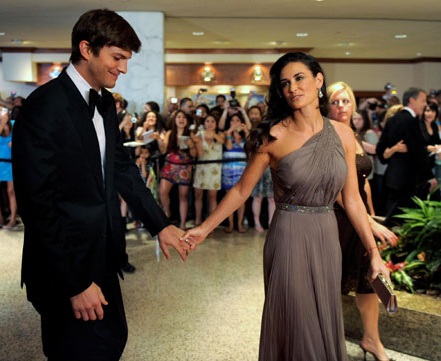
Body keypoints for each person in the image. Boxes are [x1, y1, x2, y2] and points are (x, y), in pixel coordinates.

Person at [182, 52, 390, 361]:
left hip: (326, 235)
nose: (292, 88)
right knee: (298, 322)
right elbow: (241, 190)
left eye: (299, 78)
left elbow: (351, 200)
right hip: (289, 236)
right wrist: (203, 229)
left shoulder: (344, 134)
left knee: (322, 318)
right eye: (285, 83)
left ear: (318, 81)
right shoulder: (273, 136)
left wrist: (374, 253)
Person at [12, 9, 189, 361]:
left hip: (104, 253)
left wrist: (160, 224)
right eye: (117, 57)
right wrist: (74, 283)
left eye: (126, 59)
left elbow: (122, 170)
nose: (123, 68)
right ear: (86, 49)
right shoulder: (43, 106)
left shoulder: (105, 102)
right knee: (75, 352)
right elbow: (38, 206)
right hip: (64, 262)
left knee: (110, 341)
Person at [327, 81, 398, 361]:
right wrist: (368, 221)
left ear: (353, 105)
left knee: (370, 282)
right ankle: (327, 346)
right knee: (332, 283)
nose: (341, 106)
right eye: (335, 101)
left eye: (345, 101)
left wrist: (371, 214)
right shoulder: (326, 135)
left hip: (360, 217)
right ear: (326, 105)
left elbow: (362, 182)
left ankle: (372, 340)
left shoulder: (352, 134)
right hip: (337, 219)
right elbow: (338, 189)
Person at [376, 88, 437, 224]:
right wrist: (430, 176)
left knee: (392, 219)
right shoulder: (410, 121)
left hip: (392, 178)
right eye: (423, 100)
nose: (425, 104)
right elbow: (418, 152)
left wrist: (393, 150)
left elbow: (380, 151)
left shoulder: (392, 120)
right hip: (406, 181)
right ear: (411, 100)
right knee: (399, 222)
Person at [159, 110, 197, 229]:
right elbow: (163, 151)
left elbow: (194, 154)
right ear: (174, 120)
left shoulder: (190, 134)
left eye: (184, 118)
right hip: (170, 166)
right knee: (163, 192)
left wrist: (191, 144)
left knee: (183, 196)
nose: (181, 119)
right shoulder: (170, 133)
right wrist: (160, 140)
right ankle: (167, 213)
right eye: (179, 117)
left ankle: (183, 223)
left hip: (185, 168)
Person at [191, 115, 225, 226]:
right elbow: (198, 153)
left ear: (216, 123)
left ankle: (211, 223)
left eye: (212, 121)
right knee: (198, 195)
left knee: (212, 196)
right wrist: (199, 140)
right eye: (207, 121)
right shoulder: (199, 134)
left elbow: (221, 141)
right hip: (201, 168)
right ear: (204, 123)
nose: (210, 123)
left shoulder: (220, 134)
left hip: (215, 169)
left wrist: (212, 134)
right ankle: (198, 219)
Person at [0, 105, 17, 229]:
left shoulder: (14, 123)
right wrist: (3, 122)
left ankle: (12, 220)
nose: (0, 113)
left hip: (11, 162)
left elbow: (24, 136)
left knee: (11, 192)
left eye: (2, 110)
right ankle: (0, 218)